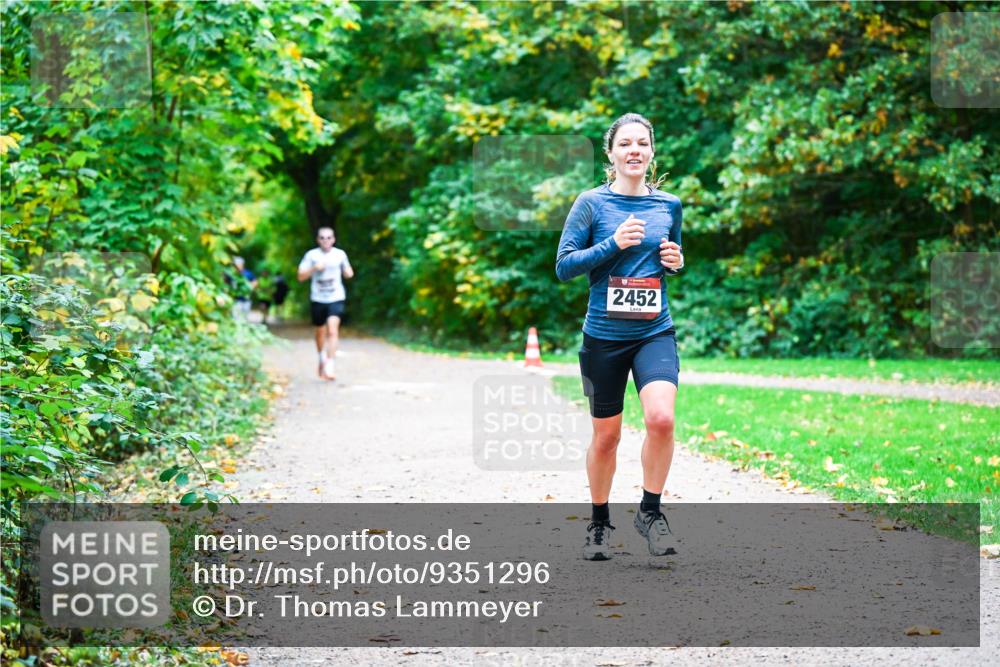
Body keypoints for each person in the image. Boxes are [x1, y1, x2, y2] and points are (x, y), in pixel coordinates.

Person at [555, 113, 685, 561]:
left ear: (651, 153)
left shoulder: (668, 205)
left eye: (642, 144)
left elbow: (670, 258)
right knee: (606, 437)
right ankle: (598, 523)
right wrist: (613, 244)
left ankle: (650, 512)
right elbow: (564, 265)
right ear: (611, 154)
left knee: (661, 419)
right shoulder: (591, 203)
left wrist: (674, 260)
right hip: (604, 337)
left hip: (654, 331)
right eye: (625, 144)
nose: (635, 150)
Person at [297, 227, 354, 380]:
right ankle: (321, 357)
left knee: (333, 330)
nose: (325, 240)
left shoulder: (339, 254)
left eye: (329, 238)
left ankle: (330, 365)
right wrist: (314, 268)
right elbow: (300, 276)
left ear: (333, 239)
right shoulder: (311, 255)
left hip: (336, 297)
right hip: (318, 299)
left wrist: (348, 272)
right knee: (320, 332)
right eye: (322, 238)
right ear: (318, 240)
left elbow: (348, 271)